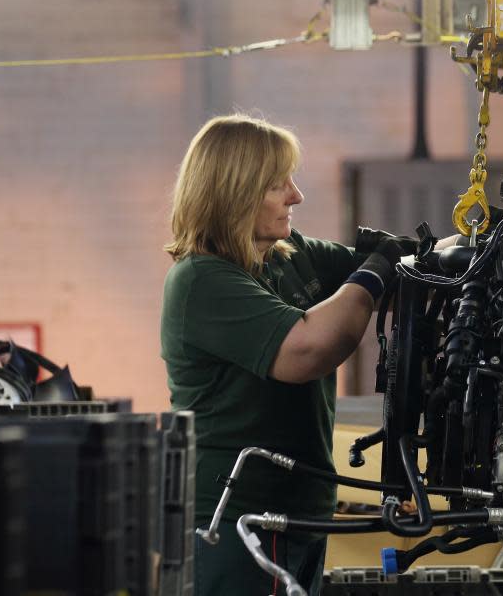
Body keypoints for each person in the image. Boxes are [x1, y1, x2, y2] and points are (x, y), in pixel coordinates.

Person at [160, 114, 409, 595]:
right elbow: (309, 348)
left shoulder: (288, 253)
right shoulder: (201, 281)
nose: (296, 196)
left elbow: (405, 276)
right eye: (279, 185)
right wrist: (379, 269)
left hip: (300, 509)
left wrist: (481, 249)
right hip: (239, 518)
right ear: (235, 192)